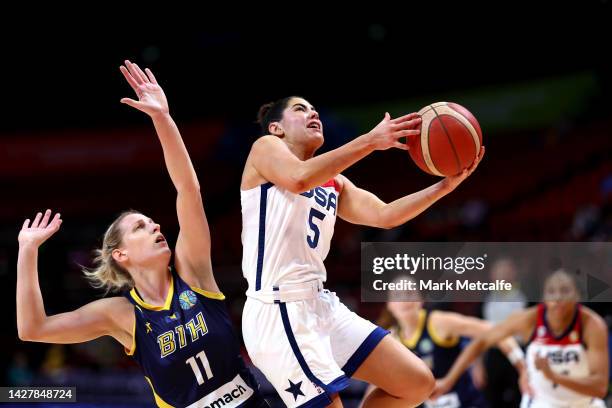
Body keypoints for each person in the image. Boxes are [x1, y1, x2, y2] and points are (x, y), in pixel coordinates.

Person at [16, 60, 266, 407]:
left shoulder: (193, 274)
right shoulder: (121, 314)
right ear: (121, 254)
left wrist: (163, 118)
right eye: (140, 226)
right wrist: (27, 251)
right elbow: (33, 329)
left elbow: (188, 190)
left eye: (152, 222)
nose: (155, 226)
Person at [239, 96, 485, 407]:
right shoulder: (265, 148)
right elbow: (298, 178)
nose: (313, 112)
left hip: (319, 305)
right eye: (300, 109)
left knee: (417, 383)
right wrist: (370, 141)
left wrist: (444, 187)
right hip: (278, 309)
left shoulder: (334, 181)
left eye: (315, 108)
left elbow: (385, 215)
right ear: (276, 127)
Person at [432, 269, 608, 408]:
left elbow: (599, 387)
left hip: (585, 404)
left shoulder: (591, 325)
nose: (558, 298)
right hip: (542, 403)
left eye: (565, 291)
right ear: (544, 297)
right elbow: (482, 341)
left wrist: (553, 376)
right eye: (551, 291)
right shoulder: (530, 319)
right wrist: (448, 381)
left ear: (577, 295)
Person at [375, 281, 523, 408]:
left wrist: (522, 367)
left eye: (409, 293)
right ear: (390, 305)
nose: (404, 300)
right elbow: (376, 385)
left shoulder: (438, 322)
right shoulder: (391, 339)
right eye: (398, 296)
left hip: (467, 401)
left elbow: (496, 331)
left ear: (420, 300)